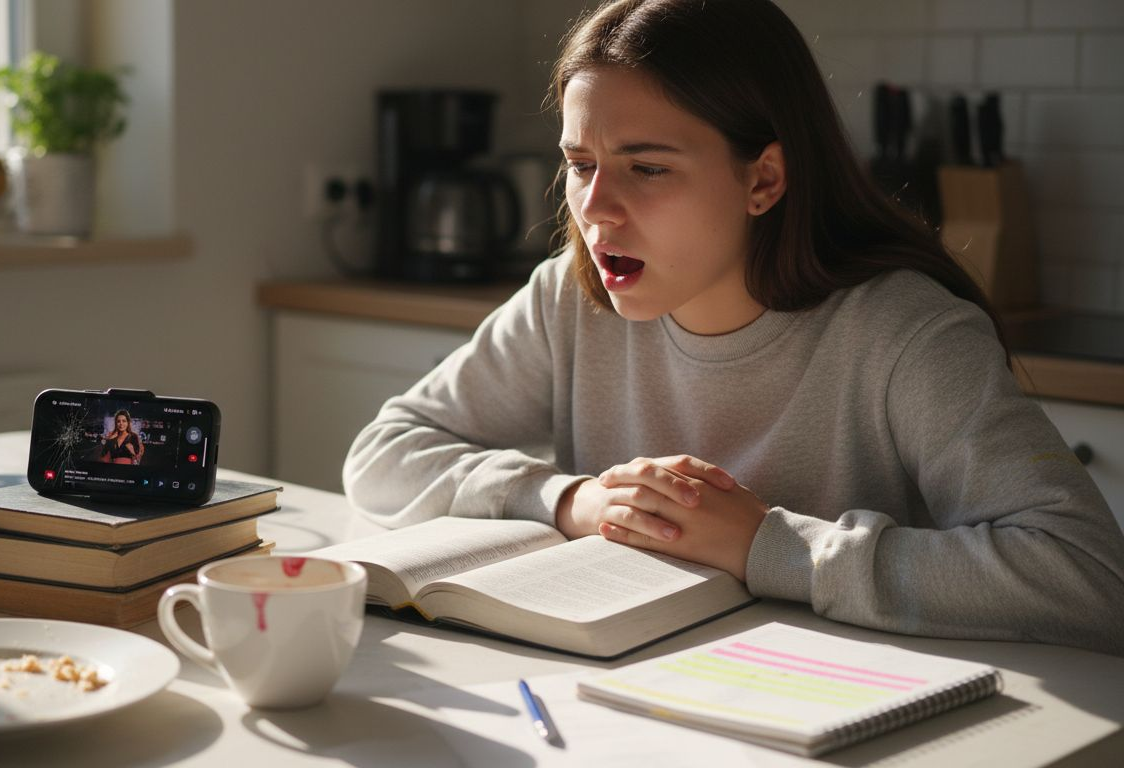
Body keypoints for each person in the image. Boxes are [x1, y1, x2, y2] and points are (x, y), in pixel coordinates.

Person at [343, 0, 1124, 656]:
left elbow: (1089, 575)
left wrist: (768, 547)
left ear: (764, 179)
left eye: (647, 168)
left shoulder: (905, 332)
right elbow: (383, 454)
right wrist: (570, 500)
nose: (595, 209)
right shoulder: (567, 299)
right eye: (581, 164)